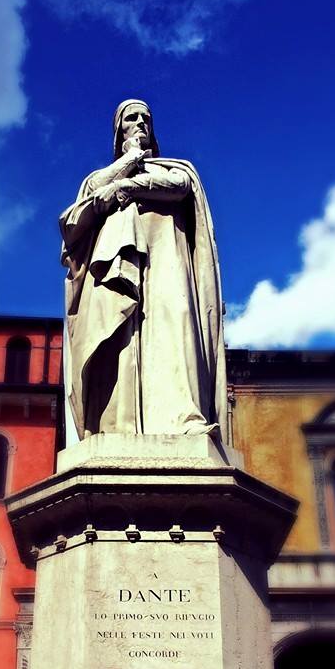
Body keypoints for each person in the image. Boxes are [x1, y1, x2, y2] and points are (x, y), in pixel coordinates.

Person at [59, 99, 227, 440]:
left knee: (176, 325)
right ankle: (113, 425)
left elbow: (180, 187)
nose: (140, 123)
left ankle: (184, 418)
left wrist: (126, 187)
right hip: (113, 269)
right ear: (118, 130)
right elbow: (90, 199)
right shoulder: (99, 178)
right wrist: (131, 159)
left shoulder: (173, 169)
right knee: (117, 335)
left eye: (146, 118)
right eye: (131, 118)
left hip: (167, 260)